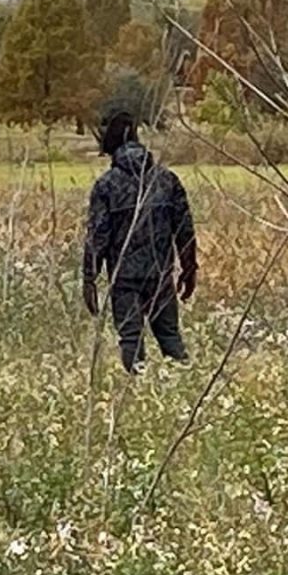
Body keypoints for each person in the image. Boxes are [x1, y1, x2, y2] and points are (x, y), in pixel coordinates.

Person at [82, 102, 198, 374]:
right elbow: (185, 230)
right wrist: (189, 268)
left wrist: (89, 277)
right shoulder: (167, 180)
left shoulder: (107, 185)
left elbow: (97, 236)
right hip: (161, 274)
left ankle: (136, 389)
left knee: (131, 340)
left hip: (124, 278)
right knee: (170, 338)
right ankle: (184, 389)